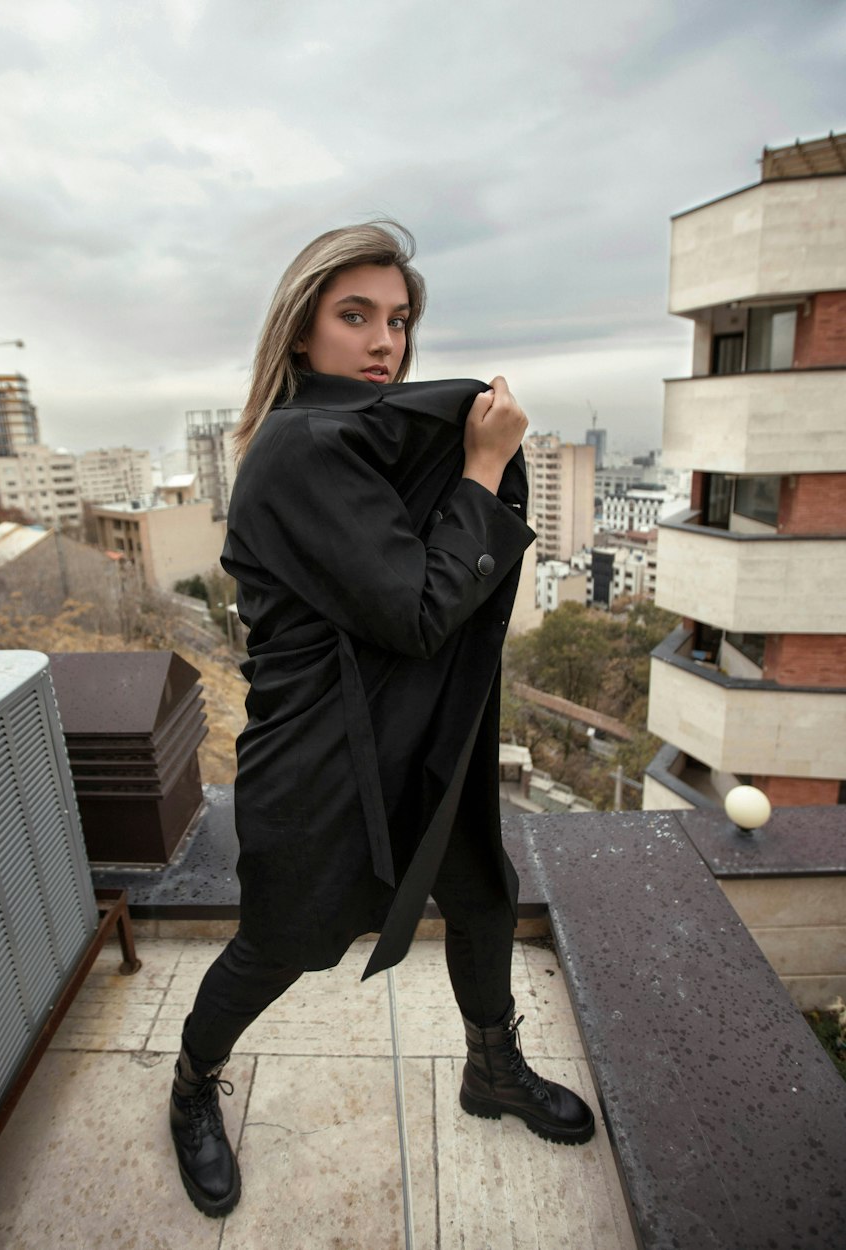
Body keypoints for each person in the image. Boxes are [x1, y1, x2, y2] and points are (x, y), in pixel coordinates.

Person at [169, 221, 595, 1218]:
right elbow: (418, 609)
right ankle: (192, 1084)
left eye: (397, 320)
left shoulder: (355, 431)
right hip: (319, 753)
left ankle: (492, 1066)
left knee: (483, 897)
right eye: (353, 316)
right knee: (280, 942)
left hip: (416, 727)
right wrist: (485, 463)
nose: (384, 343)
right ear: (301, 330)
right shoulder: (299, 446)